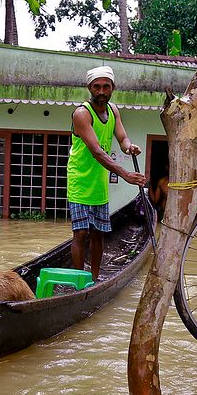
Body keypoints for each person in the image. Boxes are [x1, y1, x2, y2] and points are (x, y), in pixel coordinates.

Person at [67, 65, 146, 281]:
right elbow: (97, 152)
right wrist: (126, 175)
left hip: (99, 183)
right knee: (81, 233)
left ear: (113, 88)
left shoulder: (113, 111)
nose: (101, 91)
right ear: (89, 88)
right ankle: (78, 279)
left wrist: (130, 146)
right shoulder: (82, 114)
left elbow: (122, 139)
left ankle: (93, 279)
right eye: (97, 87)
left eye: (106, 87)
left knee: (98, 234)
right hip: (80, 182)